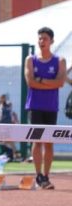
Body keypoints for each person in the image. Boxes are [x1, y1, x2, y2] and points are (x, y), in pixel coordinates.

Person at [24, 26, 67, 189]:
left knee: (49, 142)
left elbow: (60, 82)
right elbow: (30, 82)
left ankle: (46, 176)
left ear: (52, 41)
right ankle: (38, 175)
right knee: (37, 141)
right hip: (35, 105)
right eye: (40, 38)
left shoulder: (59, 61)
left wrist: (41, 81)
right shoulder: (30, 59)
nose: (42, 41)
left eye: (45, 39)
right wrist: (50, 82)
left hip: (50, 106)